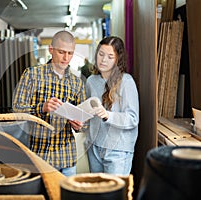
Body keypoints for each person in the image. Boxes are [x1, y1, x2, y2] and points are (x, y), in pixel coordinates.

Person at [12, 30, 86, 176]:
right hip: (39, 157)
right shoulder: (31, 75)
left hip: (67, 160)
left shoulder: (77, 83)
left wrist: (80, 125)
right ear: (51, 50)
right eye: (61, 52)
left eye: (70, 53)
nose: (66, 58)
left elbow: (84, 121)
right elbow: (16, 110)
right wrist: (42, 107)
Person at [85, 36, 139, 176]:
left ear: (117, 59)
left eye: (110, 56)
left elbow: (133, 118)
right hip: (94, 148)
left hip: (118, 150)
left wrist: (108, 115)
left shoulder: (126, 81)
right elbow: (89, 112)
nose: (103, 60)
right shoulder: (91, 81)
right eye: (101, 54)